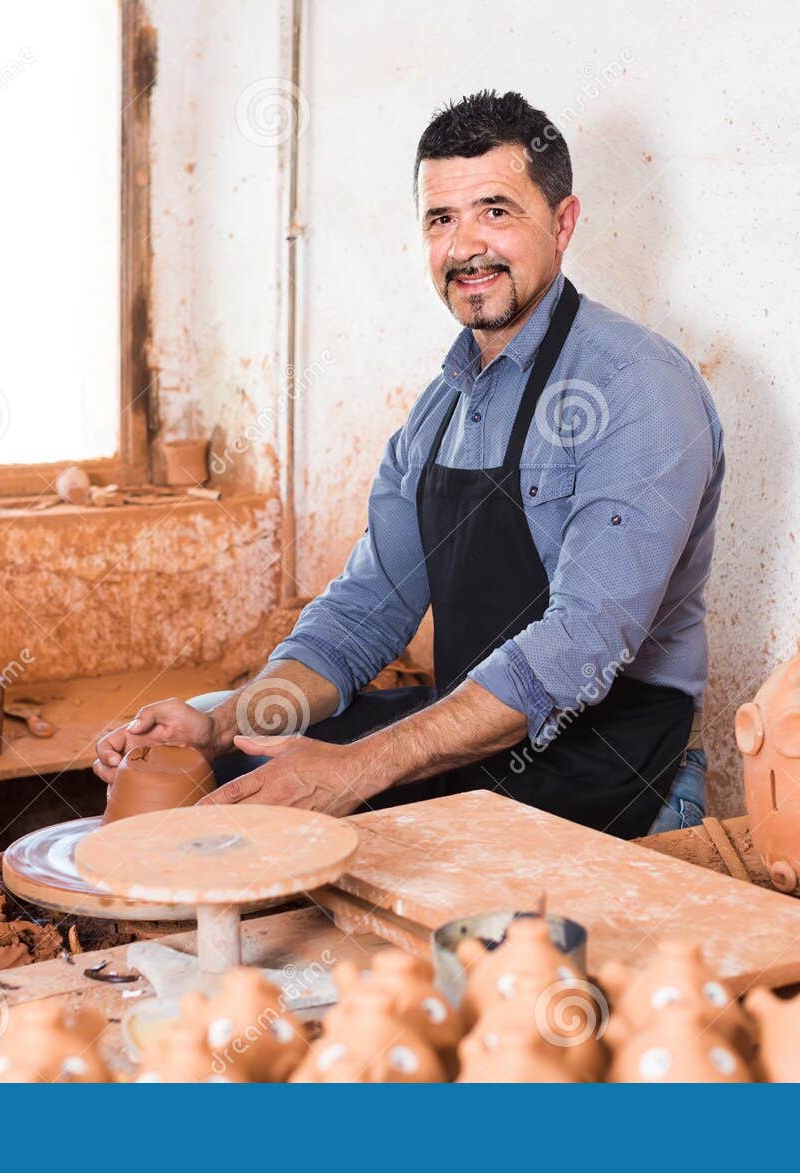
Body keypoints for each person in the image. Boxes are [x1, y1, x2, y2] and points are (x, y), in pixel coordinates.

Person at [95, 90, 723, 838]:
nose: (466, 248)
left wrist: (357, 767)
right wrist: (225, 724)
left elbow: (580, 645)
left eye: (496, 210)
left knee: (329, 806)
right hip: (477, 744)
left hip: (609, 766)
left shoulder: (636, 386)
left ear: (562, 223)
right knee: (236, 768)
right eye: (441, 219)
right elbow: (361, 617)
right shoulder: (440, 412)